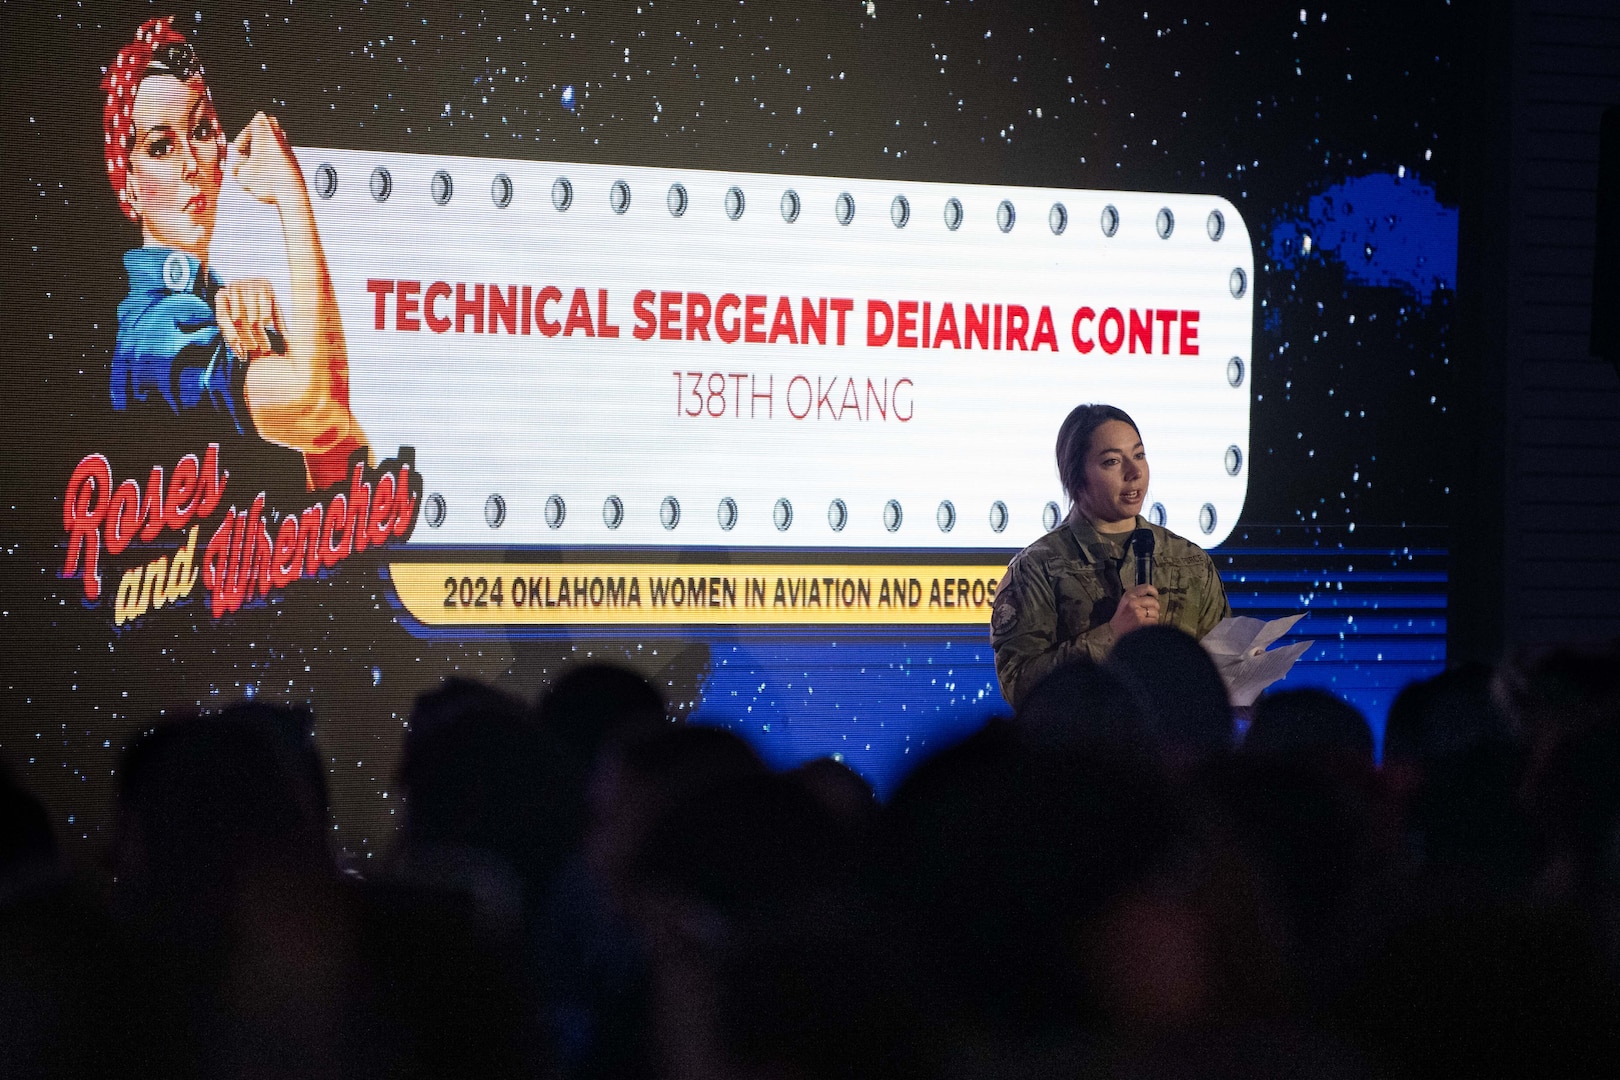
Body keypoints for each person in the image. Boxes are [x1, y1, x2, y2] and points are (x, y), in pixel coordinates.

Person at [102, 17, 366, 492]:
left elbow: (343, 471)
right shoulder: (154, 330)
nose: (191, 164)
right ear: (129, 187)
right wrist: (291, 195)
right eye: (160, 147)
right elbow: (320, 413)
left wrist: (277, 343)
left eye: (201, 130)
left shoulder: (215, 301)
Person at [991, 404, 1230, 710]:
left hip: (1173, 752)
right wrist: (1112, 634)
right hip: (1086, 752)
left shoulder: (1190, 561)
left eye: (1139, 455)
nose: (1134, 473)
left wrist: (1242, 677)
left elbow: (1218, 670)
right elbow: (1020, 686)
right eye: (1113, 462)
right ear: (1076, 477)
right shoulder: (1037, 568)